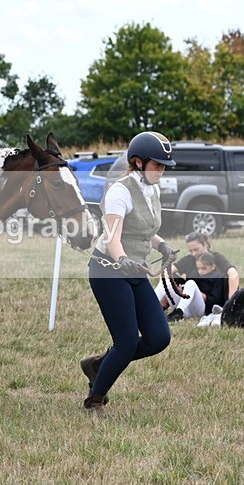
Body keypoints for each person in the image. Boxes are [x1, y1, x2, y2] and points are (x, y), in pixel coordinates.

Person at [82, 131, 178, 411]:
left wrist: (162, 246)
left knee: (159, 338)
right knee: (125, 342)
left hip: (134, 271)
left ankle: (98, 364)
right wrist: (123, 259)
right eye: (157, 164)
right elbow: (113, 237)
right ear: (138, 162)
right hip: (109, 271)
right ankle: (95, 400)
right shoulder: (120, 191)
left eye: (164, 166)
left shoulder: (152, 189)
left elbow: (143, 230)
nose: (161, 170)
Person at [155, 232, 238, 321]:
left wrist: (231, 303)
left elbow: (233, 274)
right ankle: (150, 305)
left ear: (205, 245)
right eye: (191, 251)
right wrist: (173, 292)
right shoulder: (190, 259)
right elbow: (167, 272)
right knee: (167, 280)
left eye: (196, 249)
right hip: (186, 301)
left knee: (190, 283)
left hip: (204, 305)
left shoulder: (216, 258)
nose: (194, 253)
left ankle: (179, 311)